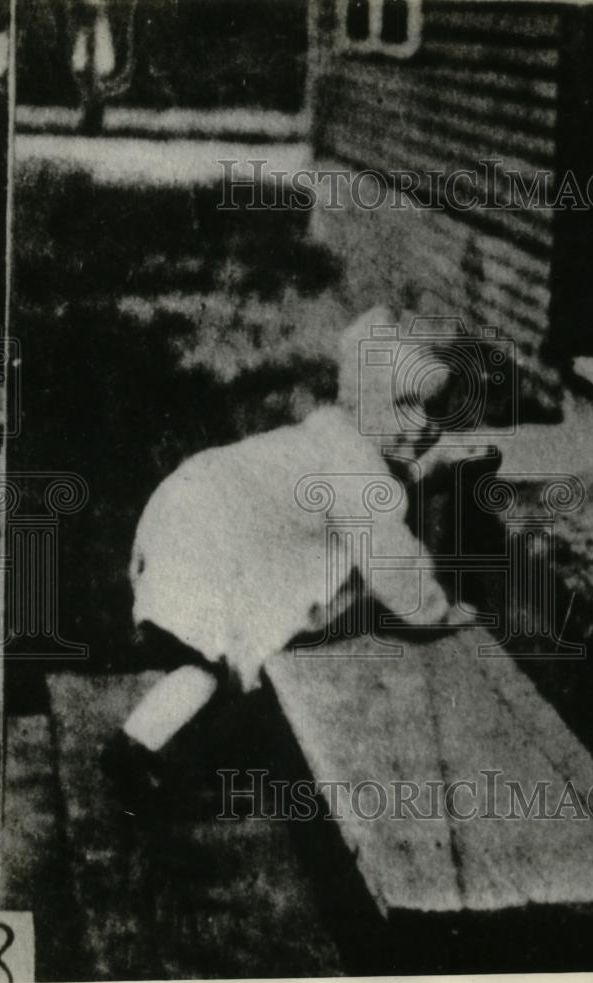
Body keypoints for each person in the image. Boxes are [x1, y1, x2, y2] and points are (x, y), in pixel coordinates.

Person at [102, 306, 481, 814]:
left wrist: (416, 474)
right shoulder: (362, 477)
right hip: (202, 538)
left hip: (186, 510)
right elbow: (388, 555)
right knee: (206, 665)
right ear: (385, 414)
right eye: (420, 414)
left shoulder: (332, 437)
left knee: (217, 654)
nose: (429, 431)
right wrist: (435, 608)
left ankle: (174, 749)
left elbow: (371, 490)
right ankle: (133, 749)